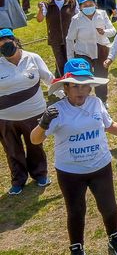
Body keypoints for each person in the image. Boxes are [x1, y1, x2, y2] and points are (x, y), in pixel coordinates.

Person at [30, 58, 117, 255]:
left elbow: (109, 125)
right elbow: (35, 140)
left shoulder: (95, 103)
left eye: (85, 86)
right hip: (70, 172)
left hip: (100, 166)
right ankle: (77, 248)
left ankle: (115, 239)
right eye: (75, 86)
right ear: (66, 88)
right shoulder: (57, 111)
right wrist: (42, 124)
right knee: (76, 212)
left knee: (109, 207)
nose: (81, 91)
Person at [0, 28, 53, 195]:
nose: (5, 48)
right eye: (0, 46)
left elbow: (49, 78)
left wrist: (65, 95)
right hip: (6, 118)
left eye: (7, 43)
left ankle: (40, 174)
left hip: (34, 114)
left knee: (35, 145)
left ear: (15, 41)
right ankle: (18, 180)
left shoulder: (33, 58)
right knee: (12, 150)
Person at [65, 0, 115, 104]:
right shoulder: (76, 19)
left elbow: (113, 31)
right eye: (85, 5)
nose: (88, 7)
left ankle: (102, 100)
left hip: (101, 50)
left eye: (90, 4)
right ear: (81, 7)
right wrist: (70, 58)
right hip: (83, 51)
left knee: (101, 75)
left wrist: (104, 32)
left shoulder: (102, 14)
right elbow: (70, 39)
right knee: (82, 77)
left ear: (95, 4)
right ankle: (83, 99)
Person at [37, 0, 79, 75]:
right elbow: (39, 19)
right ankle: (63, 81)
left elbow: (78, 16)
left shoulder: (73, 2)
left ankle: (74, 77)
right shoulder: (46, 4)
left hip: (71, 37)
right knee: (60, 61)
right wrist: (40, 9)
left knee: (72, 59)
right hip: (55, 38)